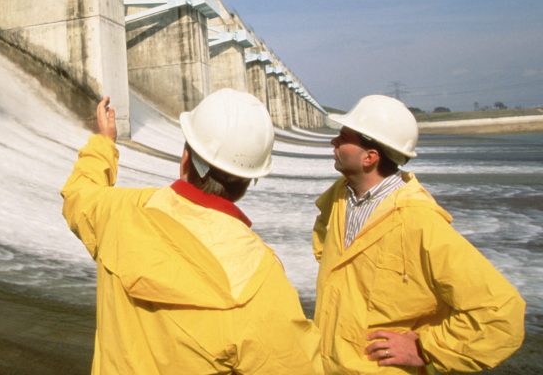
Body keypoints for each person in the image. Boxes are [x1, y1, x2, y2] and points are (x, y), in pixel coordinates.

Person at [62, 89, 321, 374]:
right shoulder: (257, 276)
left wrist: (104, 142)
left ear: (186, 157)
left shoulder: (120, 213)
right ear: (249, 181)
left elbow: (80, 195)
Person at [313, 94, 525, 374]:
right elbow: (328, 254)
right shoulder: (339, 198)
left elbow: (500, 313)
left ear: (370, 157)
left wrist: (425, 348)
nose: (334, 143)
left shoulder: (419, 220)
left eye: (343, 138)